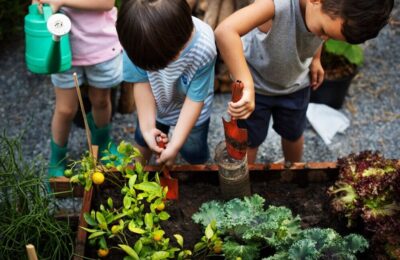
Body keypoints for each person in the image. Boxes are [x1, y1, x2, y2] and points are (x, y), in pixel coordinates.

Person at [215, 0, 394, 163]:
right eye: (324, 32)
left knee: (293, 135)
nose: (323, 38)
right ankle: (247, 184)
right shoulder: (275, 5)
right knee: (250, 141)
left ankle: (294, 174)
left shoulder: (322, 12)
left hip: (296, 86)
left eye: (330, 37)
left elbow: (317, 35)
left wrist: (316, 59)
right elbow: (225, 31)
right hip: (256, 90)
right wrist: (245, 83)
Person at [116, 0, 217, 166]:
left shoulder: (204, 48)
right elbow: (142, 83)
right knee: (144, 139)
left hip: (192, 109)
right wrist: (148, 128)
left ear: (177, 52)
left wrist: (175, 144)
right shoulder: (134, 38)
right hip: (155, 103)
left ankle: (196, 171)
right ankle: (138, 174)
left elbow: (194, 99)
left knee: (193, 149)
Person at [32, 0, 123, 177]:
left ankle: (102, 144)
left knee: (101, 100)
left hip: (100, 45)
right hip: (62, 47)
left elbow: (106, 3)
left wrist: (62, 1)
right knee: (65, 109)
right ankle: (57, 158)